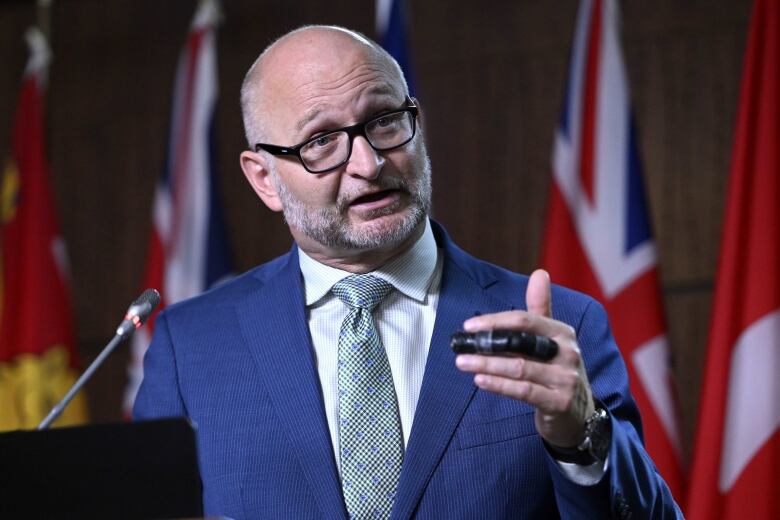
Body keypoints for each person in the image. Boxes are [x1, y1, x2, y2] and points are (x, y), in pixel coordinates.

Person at [134, 25, 682, 519]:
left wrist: (579, 438)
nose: (369, 164)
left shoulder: (559, 324)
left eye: (384, 122)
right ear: (263, 179)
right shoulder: (190, 349)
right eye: (322, 141)